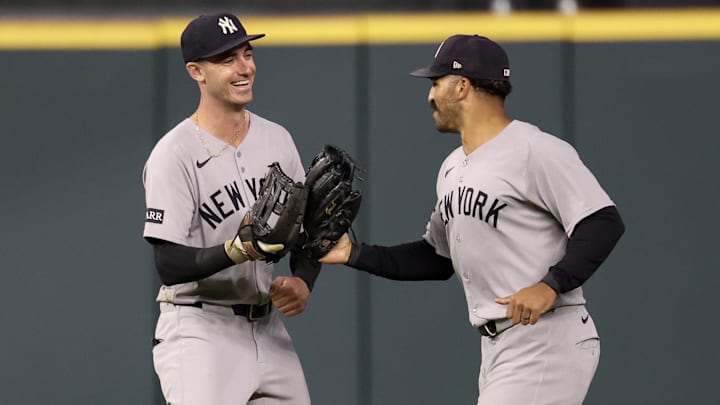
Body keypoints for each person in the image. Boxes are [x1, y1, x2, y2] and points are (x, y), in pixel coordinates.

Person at [320, 34, 625, 404]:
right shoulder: (452, 167)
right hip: (498, 348)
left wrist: (550, 285)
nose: (430, 96)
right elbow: (436, 258)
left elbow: (602, 221)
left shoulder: (534, 150)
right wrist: (355, 253)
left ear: (462, 86)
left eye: (436, 83)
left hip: (547, 337)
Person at [142, 12, 319, 405]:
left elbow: (306, 233)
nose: (244, 68)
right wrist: (235, 250)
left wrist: (304, 280)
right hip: (199, 328)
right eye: (227, 60)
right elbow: (168, 264)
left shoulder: (277, 139)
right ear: (196, 72)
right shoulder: (174, 154)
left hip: (267, 329)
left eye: (247, 53)